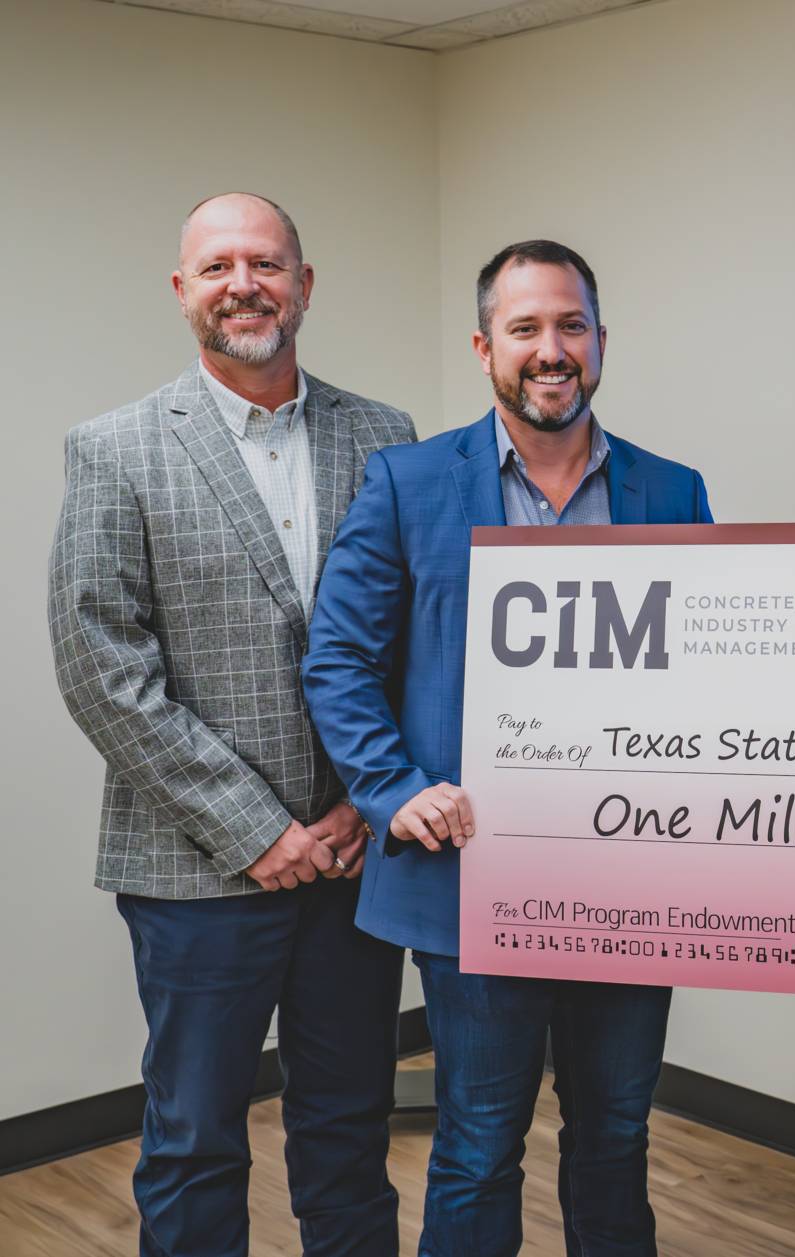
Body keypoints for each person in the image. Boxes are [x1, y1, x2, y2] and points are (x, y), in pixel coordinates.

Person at [303, 240, 713, 1256]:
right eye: (526, 329)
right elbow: (338, 660)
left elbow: (713, 681)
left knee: (614, 1137)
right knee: (479, 1143)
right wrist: (394, 789)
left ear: (601, 344)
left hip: (629, 881)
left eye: (570, 326)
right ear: (486, 347)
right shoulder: (407, 483)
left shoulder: (671, 492)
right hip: (472, 879)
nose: (551, 349)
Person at [48, 192, 412, 1257]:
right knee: (195, 1139)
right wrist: (256, 829)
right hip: (195, 870)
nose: (242, 284)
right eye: (216, 267)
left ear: (305, 283)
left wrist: (362, 802)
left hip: (352, 861)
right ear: (181, 292)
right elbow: (101, 667)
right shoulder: (116, 449)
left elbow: (415, 636)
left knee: (349, 1130)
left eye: (265, 262)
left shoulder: (384, 437)